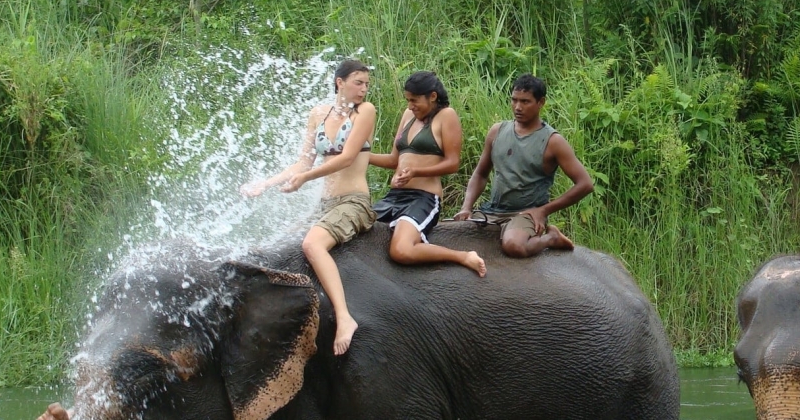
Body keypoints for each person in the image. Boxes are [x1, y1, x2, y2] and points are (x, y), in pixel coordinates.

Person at [241, 59, 376, 356]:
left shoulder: (365, 111)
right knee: (280, 241)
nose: (364, 89)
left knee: (312, 245)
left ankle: (344, 317)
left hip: (353, 201)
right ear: (339, 82)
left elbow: (347, 157)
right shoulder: (318, 113)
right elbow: (304, 162)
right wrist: (265, 183)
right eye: (358, 82)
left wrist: (305, 178)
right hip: (325, 205)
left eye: (366, 83)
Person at [452, 74, 594, 257]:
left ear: (541, 102)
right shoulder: (497, 131)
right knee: (454, 234)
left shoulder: (553, 141)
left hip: (524, 214)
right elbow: (480, 174)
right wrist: (466, 207)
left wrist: (543, 210)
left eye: (525, 102)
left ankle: (551, 238)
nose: (518, 107)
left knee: (513, 246)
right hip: (492, 210)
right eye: (514, 100)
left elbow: (585, 184)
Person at [367, 71, 487, 277]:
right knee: (357, 229)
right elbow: (393, 160)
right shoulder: (408, 116)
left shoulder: (446, 116)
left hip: (423, 199)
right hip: (394, 198)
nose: (410, 106)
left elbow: (452, 163)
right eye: (407, 100)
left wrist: (416, 171)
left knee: (401, 250)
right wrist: (360, 155)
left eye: (414, 100)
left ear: (432, 96)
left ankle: (463, 256)